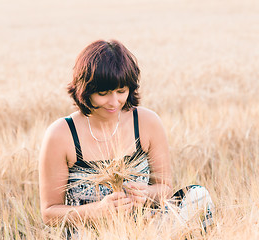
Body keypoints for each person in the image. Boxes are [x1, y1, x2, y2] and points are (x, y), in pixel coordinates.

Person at [39, 40, 214, 237]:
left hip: (146, 230)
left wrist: (146, 194)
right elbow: (49, 213)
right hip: (88, 235)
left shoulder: (147, 122)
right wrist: (95, 212)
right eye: (103, 93)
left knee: (198, 197)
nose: (114, 102)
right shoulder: (61, 134)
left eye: (121, 91)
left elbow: (164, 188)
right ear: (85, 90)